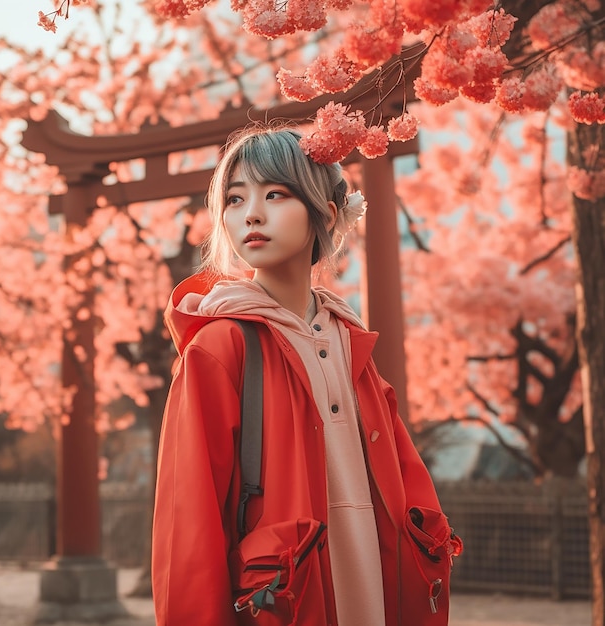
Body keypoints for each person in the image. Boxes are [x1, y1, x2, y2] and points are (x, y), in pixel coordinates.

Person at [151, 125, 462, 626]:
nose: (251, 213)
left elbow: (407, 484)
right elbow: (188, 521)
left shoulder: (350, 340)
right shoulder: (219, 348)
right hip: (286, 600)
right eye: (234, 199)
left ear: (327, 212)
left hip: (375, 589)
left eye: (274, 194)